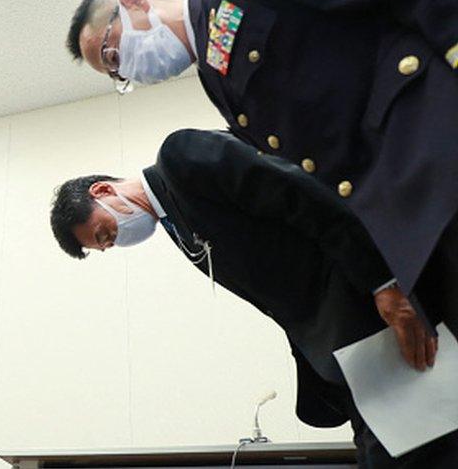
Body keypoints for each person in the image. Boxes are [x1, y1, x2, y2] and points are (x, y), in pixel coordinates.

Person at [64, 0, 458, 304]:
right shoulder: (215, 82)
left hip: (435, 135)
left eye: (112, 53)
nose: (125, 68)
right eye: (116, 73)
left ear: (134, 2)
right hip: (409, 213)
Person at [49, 129, 457, 468]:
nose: (117, 240)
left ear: (103, 191)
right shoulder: (177, 226)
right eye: (107, 245)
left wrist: (383, 284)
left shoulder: (180, 156)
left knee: (426, 448)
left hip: (371, 317)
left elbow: (305, 195)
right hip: (346, 356)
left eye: (105, 232)